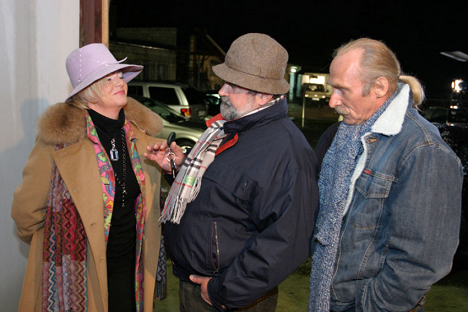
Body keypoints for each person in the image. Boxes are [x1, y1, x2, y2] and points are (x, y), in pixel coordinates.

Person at [145, 33, 319, 311]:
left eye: (232, 84)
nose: (221, 90)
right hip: (200, 285)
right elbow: (220, 195)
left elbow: (286, 242)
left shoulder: (286, 152)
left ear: (262, 95)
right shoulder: (230, 130)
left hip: (230, 296)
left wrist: (222, 290)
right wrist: (178, 169)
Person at [308, 38, 463, 312]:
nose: (333, 101)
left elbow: (421, 262)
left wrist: (370, 306)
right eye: (333, 89)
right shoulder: (344, 135)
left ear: (380, 87)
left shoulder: (423, 150)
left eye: (343, 90)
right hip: (328, 299)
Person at [11, 43, 166, 312]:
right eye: (108, 78)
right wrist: (57, 242)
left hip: (132, 268)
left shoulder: (140, 136)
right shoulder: (59, 143)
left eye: (119, 75)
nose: (120, 82)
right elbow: (26, 212)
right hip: (80, 269)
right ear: (87, 91)